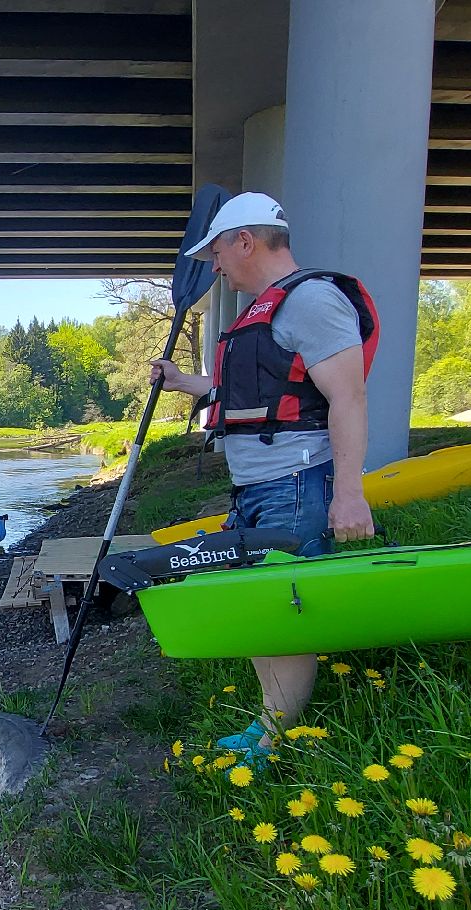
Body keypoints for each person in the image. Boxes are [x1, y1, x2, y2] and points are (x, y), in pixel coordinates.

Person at [148, 192, 378, 762]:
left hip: (296, 483)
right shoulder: (263, 310)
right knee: (257, 602)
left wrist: (350, 495)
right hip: (255, 487)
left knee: (284, 607)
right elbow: (250, 391)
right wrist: (183, 382)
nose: (215, 268)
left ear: (245, 241)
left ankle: (278, 742)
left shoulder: (313, 301)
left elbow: (348, 398)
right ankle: (269, 722)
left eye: (217, 254)